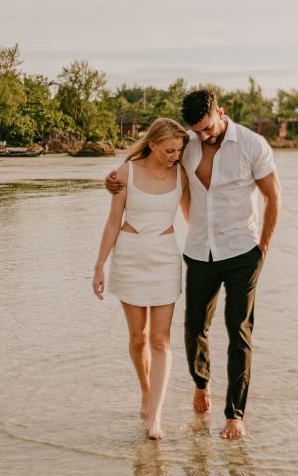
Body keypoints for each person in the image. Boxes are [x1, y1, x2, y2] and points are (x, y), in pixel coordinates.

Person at [106, 89, 281, 440]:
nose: (202, 136)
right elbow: (146, 163)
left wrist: (263, 247)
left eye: (207, 128)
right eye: (196, 130)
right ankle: (202, 383)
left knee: (239, 331)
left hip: (243, 251)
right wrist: (112, 178)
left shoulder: (252, 144)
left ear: (221, 111)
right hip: (200, 250)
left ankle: (234, 414)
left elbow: (272, 195)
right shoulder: (185, 144)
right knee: (194, 327)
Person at [93, 117, 190, 439]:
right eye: (169, 149)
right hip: (130, 256)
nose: (175, 155)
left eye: (179, 150)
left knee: (160, 339)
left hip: (165, 258)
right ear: (152, 144)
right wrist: (99, 266)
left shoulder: (183, 174)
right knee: (138, 338)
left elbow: (196, 212)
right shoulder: (126, 172)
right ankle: (146, 390)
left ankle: (156, 419)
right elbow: (112, 222)